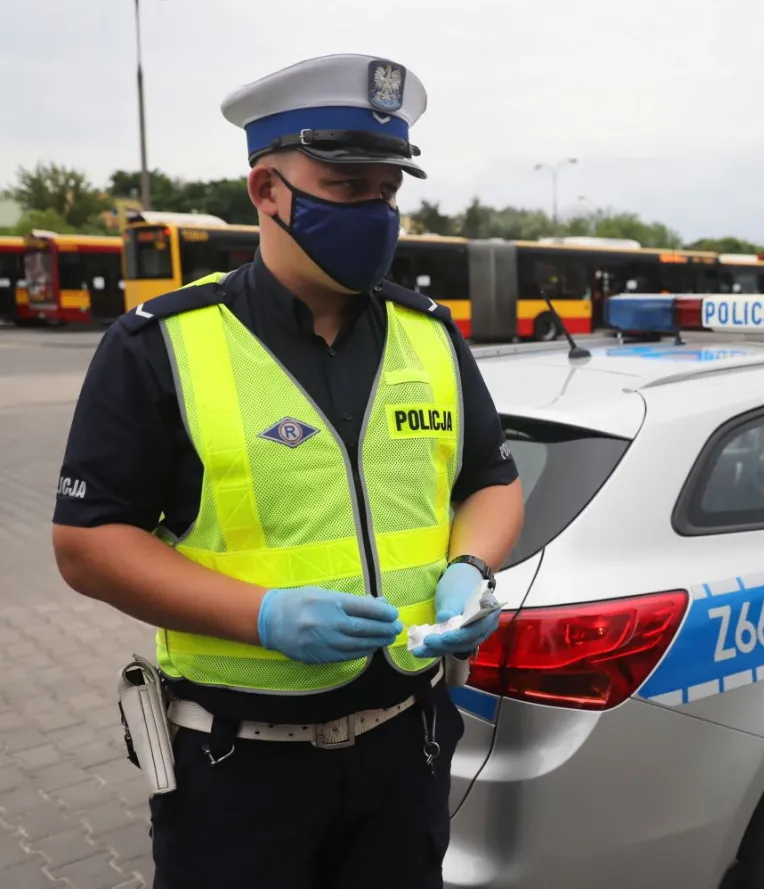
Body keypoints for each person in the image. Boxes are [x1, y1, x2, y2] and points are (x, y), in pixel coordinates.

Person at [50, 54, 525, 889]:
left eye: (387, 190)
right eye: (347, 187)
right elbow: (88, 542)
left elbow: (489, 479)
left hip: (405, 751)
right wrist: (262, 614)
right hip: (237, 769)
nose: (376, 213)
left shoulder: (430, 336)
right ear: (265, 190)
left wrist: (471, 567)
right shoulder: (161, 343)